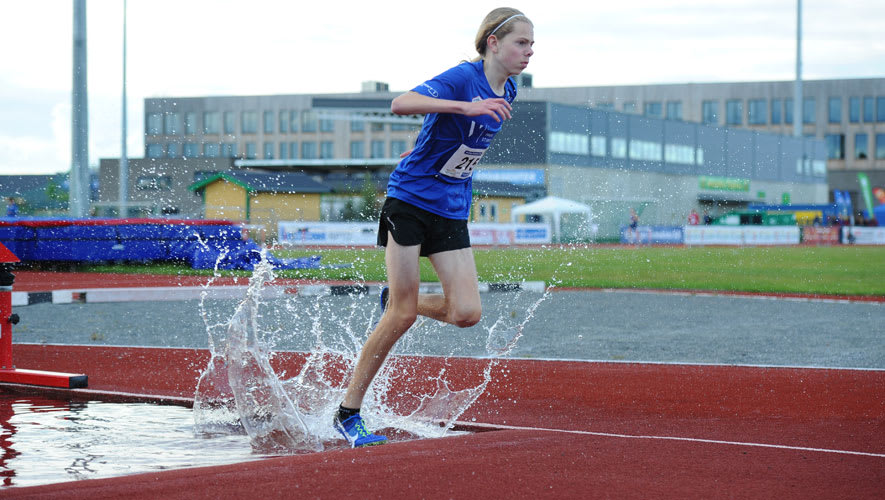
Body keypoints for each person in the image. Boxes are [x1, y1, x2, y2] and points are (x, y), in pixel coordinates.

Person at [332, 7, 534, 448]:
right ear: (493, 43)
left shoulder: (510, 88)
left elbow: (455, 139)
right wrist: (464, 105)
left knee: (466, 313)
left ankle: (395, 300)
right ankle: (348, 413)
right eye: (521, 42)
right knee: (401, 317)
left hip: (452, 207)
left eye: (532, 44)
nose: (529, 52)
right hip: (410, 201)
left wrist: (421, 145)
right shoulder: (464, 78)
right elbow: (401, 103)